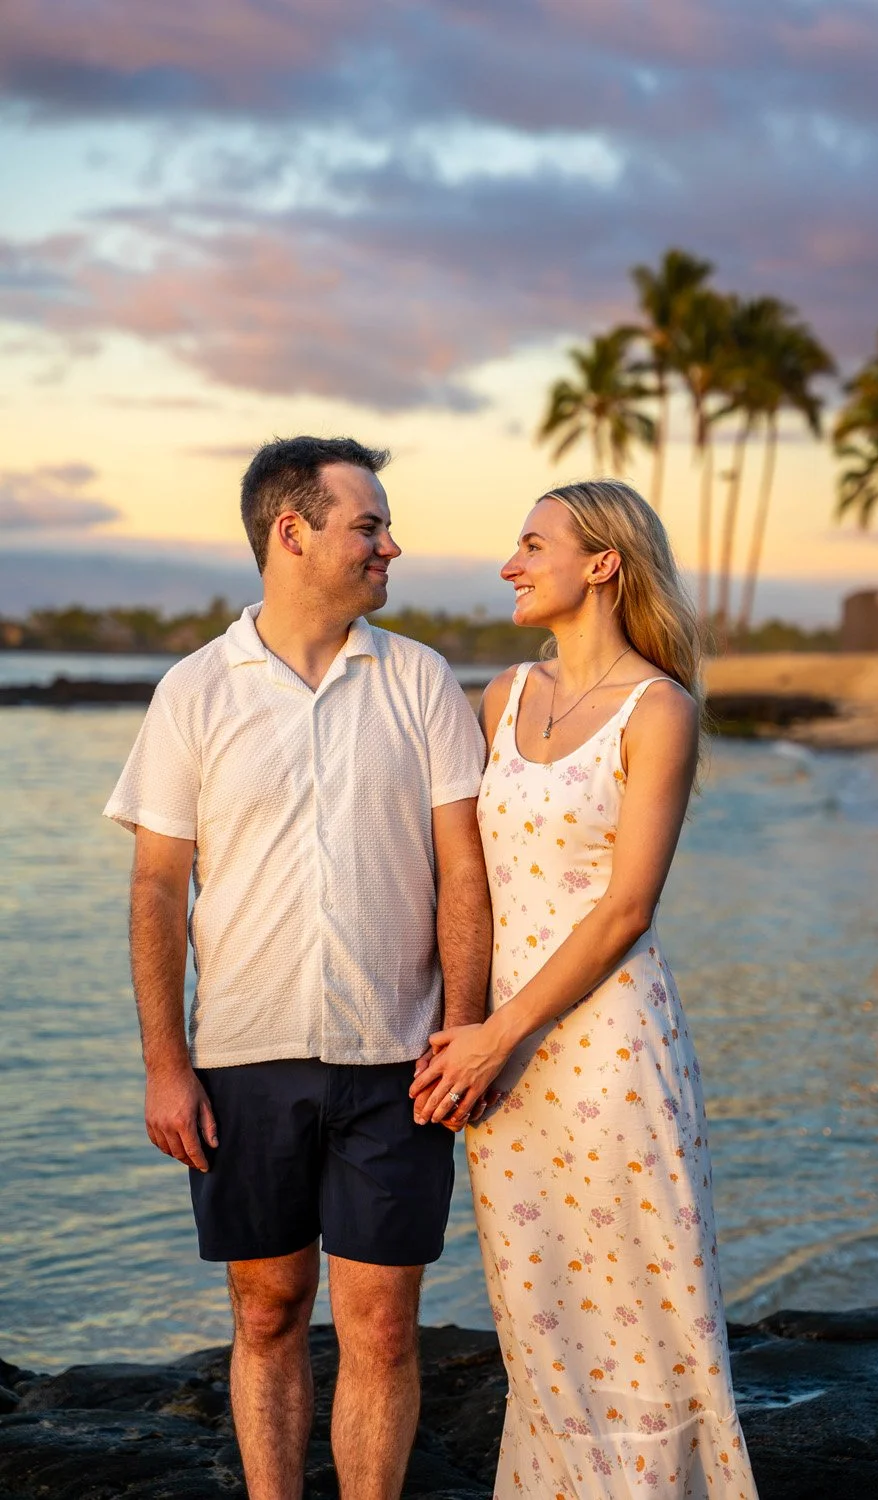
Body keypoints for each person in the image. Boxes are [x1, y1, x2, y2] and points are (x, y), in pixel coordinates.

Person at [104, 436, 491, 1500]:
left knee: (380, 1326)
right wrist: (163, 1066)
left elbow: (465, 872)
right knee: (266, 1311)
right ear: (293, 532)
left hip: (397, 1064)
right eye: (369, 525)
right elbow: (154, 890)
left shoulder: (418, 681)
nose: (389, 545)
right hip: (240, 1064)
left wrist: (465, 1028)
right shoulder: (193, 692)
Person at [411, 480, 758, 1498]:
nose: (510, 565)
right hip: (503, 1060)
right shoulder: (502, 696)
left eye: (531, 545)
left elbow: (624, 910)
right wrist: (461, 1026)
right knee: (539, 1313)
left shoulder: (661, 712)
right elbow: (462, 876)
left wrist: (497, 1033)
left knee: (638, 1310)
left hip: (605, 1050)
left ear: (600, 564)